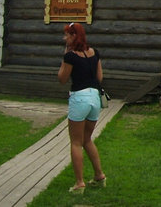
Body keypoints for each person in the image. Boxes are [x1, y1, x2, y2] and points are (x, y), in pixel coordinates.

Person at [57, 22, 106, 194]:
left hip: (80, 97)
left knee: (76, 142)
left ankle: (79, 183)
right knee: (87, 139)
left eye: (67, 35)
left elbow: (62, 78)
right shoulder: (94, 53)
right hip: (95, 98)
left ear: (73, 36)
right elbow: (99, 76)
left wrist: (64, 57)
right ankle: (99, 175)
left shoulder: (70, 56)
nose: (65, 38)